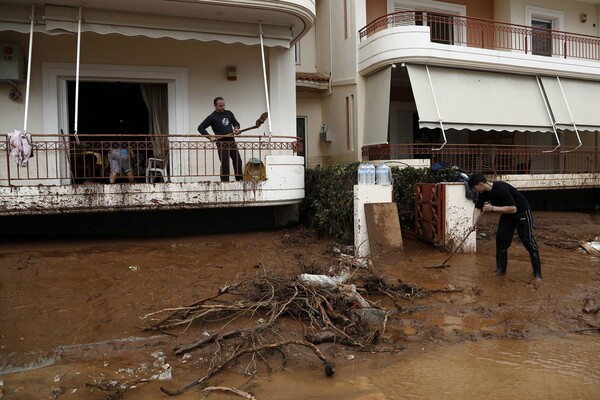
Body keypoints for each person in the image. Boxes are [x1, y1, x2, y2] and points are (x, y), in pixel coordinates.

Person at [468, 173, 542, 280]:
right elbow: (477, 208)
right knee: (501, 241)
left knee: (529, 242)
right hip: (507, 215)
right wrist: (473, 225)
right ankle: (500, 270)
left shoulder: (501, 188)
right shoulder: (483, 193)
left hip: (521, 213)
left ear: (480, 184)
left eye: (475, 188)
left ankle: (537, 274)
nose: (475, 191)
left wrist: (492, 208)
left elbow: (513, 208)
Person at [197, 97, 243, 182]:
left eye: (223, 105)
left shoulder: (229, 113)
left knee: (238, 161)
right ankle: (225, 183)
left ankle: (240, 181)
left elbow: (236, 123)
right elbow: (200, 128)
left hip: (231, 141)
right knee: (225, 164)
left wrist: (236, 128)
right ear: (215, 106)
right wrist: (210, 137)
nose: (222, 107)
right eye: (220, 106)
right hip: (221, 143)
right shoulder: (212, 117)